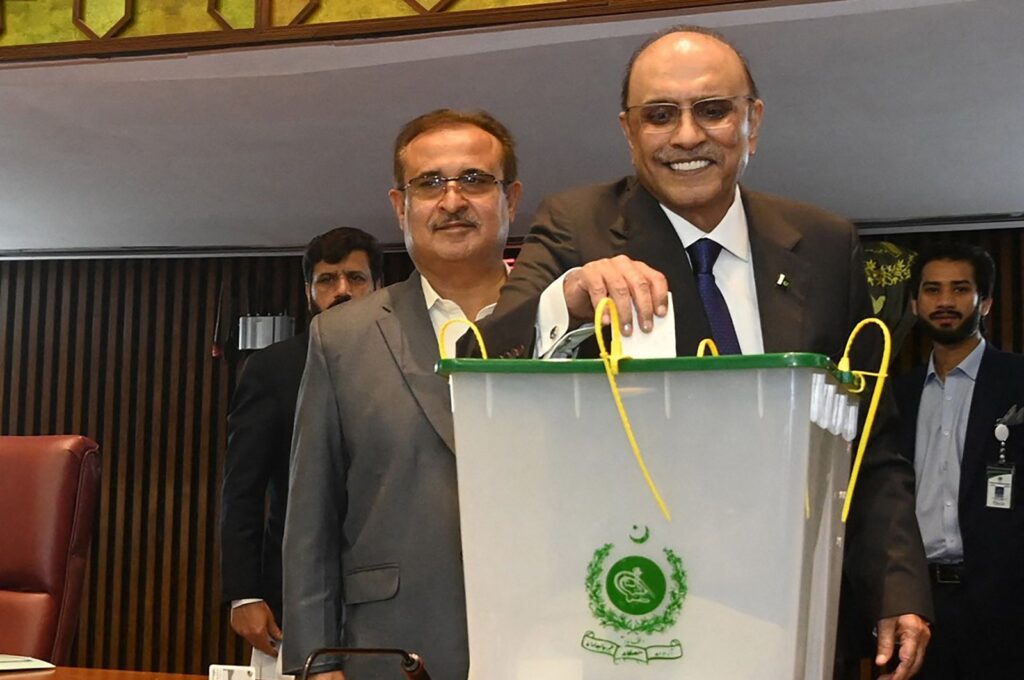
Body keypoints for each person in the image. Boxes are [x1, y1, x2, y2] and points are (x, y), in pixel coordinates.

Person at [469, 26, 932, 679]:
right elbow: (482, 357)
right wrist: (566, 299)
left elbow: (866, 440)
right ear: (629, 132)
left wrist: (897, 587)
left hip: (784, 606)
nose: (687, 136)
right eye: (660, 115)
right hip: (623, 608)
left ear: (753, 121)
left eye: (712, 110)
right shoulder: (577, 224)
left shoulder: (825, 243)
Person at [281, 109, 522, 679]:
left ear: (510, 198)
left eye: (475, 180)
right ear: (400, 206)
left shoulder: (566, 322)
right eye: (430, 183)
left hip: (548, 638)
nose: (453, 200)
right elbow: (311, 513)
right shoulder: (341, 338)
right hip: (390, 647)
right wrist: (317, 661)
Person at [220, 227, 382, 671]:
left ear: (378, 287)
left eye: (356, 278)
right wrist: (244, 593)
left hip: (394, 591)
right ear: (308, 291)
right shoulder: (273, 369)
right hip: (290, 595)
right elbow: (243, 490)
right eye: (327, 280)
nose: (342, 291)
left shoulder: (406, 362)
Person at [893, 243, 1024, 678]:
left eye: (959, 289)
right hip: (918, 607)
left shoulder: (1017, 382)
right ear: (915, 302)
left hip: (1005, 604)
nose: (945, 302)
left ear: (984, 302)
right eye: (931, 290)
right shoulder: (895, 395)